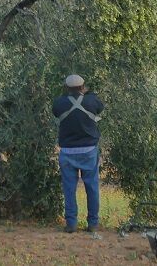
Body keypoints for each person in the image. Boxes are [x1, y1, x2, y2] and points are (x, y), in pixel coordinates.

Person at [52, 74, 104, 233]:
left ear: (67, 88)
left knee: (69, 188)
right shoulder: (91, 100)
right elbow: (100, 107)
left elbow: (57, 110)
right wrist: (87, 94)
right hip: (89, 150)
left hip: (67, 152)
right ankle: (93, 224)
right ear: (83, 87)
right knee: (92, 187)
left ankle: (71, 224)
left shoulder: (59, 103)